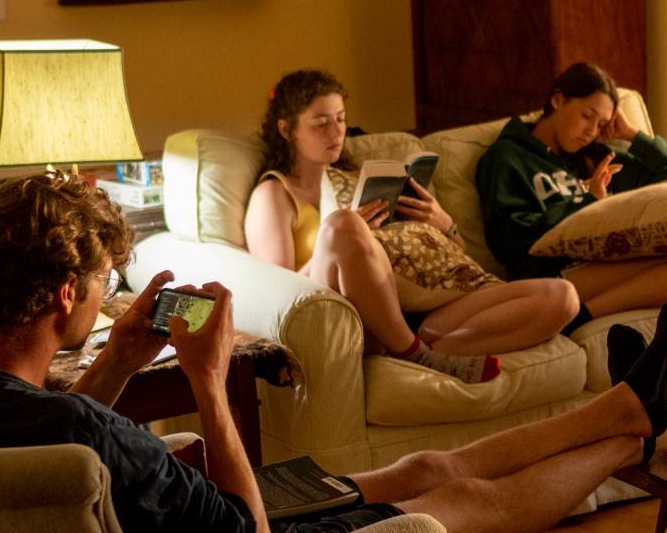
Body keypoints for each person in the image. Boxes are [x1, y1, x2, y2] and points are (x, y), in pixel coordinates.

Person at [0, 174, 667, 533]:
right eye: (99, 284)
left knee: (421, 465)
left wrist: (121, 355)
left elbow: (56, 435)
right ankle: (631, 443)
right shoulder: (75, 430)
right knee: (464, 501)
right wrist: (210, 381)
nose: (102, 294)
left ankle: (621, 406)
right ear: (62, 297)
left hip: (183, 530)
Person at [244, 70, 579, 384]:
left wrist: (442, 222)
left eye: (341, 119)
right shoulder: (274, 193)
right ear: (287, 130)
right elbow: (278, 293)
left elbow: (456, 252)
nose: (336, 133)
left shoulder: (356, 178)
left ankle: (435, 353)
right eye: (320, 124)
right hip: (374, 311)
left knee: (563, 296)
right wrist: (347, 237)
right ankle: (411, 349)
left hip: (432, 308)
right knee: (343, 223)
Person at [476, 62, 667, 329]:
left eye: (601, 125)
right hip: (557, 271)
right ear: (557, 100)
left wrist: (634, 137)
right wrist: (587, 202)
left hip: (617, 257)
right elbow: (509, 240)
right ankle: (582, 318)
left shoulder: (596, 157)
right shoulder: (507, 157)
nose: (590, 131)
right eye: (586, 116)